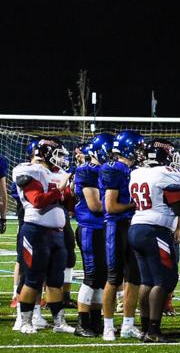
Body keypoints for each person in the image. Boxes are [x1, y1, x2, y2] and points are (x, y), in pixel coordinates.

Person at [12, 139, 73, 334]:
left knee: (56, 280)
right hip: (35, 231)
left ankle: (59, 322)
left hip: (57, 234)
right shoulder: (29, 170)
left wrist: (71, 192)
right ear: (46, 153)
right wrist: (60, 189)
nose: (62, 159)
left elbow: (68, 205)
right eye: (58, 154)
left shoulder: (57, 174)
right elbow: (37, 200)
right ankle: (25, 322)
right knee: (33, 278)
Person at [127, 140, 180, 343]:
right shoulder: (166, 173)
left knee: (147, 280)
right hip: (155, 230)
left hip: (136, 227)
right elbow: (178, 207)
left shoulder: (136, 172)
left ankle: (145, 328)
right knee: (165, 279)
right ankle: (153, 329)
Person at [101, 130, 145, 340]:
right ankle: (108, 325)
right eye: (138, 148)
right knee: (114, 277)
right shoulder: (114, 169)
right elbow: (110, 206)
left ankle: (128, 324)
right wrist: (133, 206)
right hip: (116, 227)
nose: (140, 152)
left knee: (134, 278)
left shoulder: (132, 169)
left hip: (131, 225)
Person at [72, 139, 108, 337]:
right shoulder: (87, 171)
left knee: (101, 277)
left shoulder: (100, 170)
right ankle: (82, 322)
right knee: (92, 276)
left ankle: (95, 320)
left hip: (99, 228)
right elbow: (95, 206)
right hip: (89, 228)